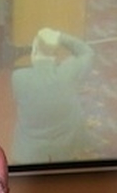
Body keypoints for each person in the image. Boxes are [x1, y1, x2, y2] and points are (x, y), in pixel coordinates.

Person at [11, 27, 94, 164]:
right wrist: (60, 37)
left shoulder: (18, 78)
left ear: (34, 51)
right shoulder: (69, 72)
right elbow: (87, 52)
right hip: (66, 151)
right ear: (55, 53)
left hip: (28, 156)